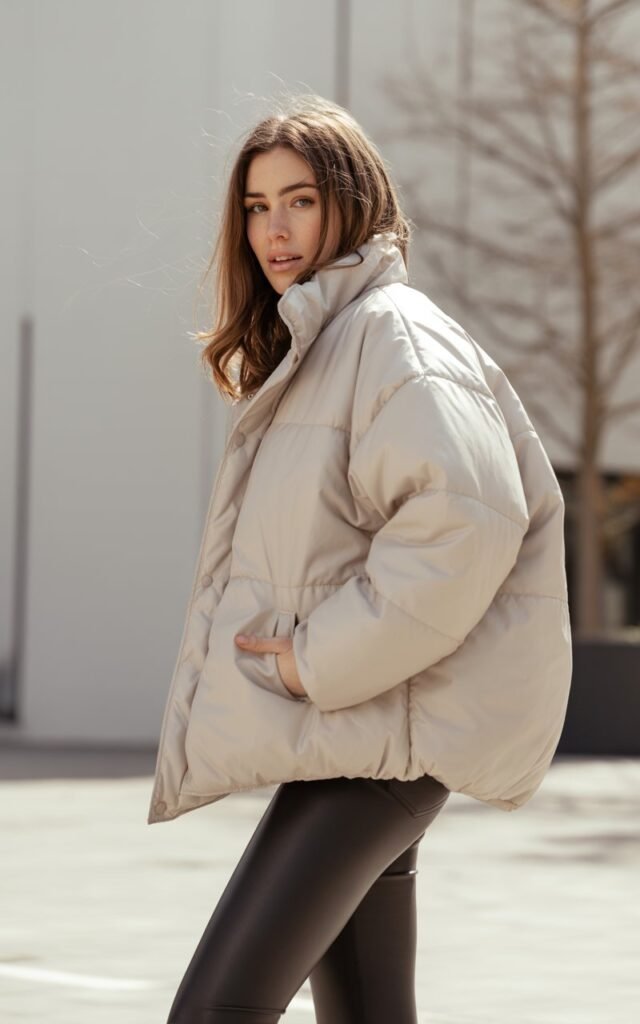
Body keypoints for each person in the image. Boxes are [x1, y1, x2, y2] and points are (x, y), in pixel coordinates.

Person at [147, 94, 572, 1023]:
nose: (274, 228)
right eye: (257, 207)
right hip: (360, 734)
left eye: (298, 199)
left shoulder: (392, 334)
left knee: (216, 1010)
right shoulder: (328, 343)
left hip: (381, 744)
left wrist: (316, 656)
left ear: (353, 201)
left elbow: (466, 524)